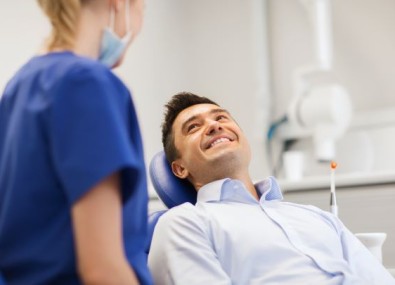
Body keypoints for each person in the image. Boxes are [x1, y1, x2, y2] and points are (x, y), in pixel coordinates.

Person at [148, 92, 395, 285]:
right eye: (193, 127)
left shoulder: (316, 216)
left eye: (221, 117)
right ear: (179, 168)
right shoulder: (183, 223)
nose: (214, 126)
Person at [0, 0, 152, 284]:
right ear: (119, 4)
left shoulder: (19, 85)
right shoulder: (87, 83)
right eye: (144, 7)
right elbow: (102, 269)